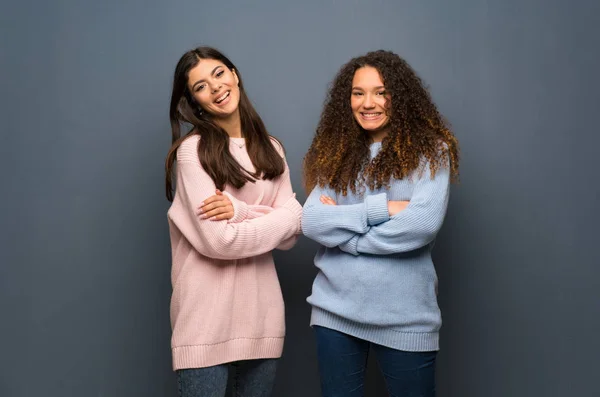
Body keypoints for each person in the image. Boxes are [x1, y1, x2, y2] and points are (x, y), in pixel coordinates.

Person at [301, 49, 460, 397]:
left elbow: (422, 224)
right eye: (358, 93)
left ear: (399, 97)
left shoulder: (432, 151)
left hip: (406, 318)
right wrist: (384, 209)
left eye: (380, 92)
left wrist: (343, 237)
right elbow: (312, 221)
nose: (367, 103)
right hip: (334, 313)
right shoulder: (336, 152)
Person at [165, 46, 302, 397]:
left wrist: (240, 212)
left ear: (234, 74)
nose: (215, 87)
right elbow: (219, 242)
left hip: (262, 322)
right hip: (205, 326)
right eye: (200, 86)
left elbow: (294, 231)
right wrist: (282, 216)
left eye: (219, 74)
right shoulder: (192, 152)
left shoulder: (272, 150)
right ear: (194, 102)